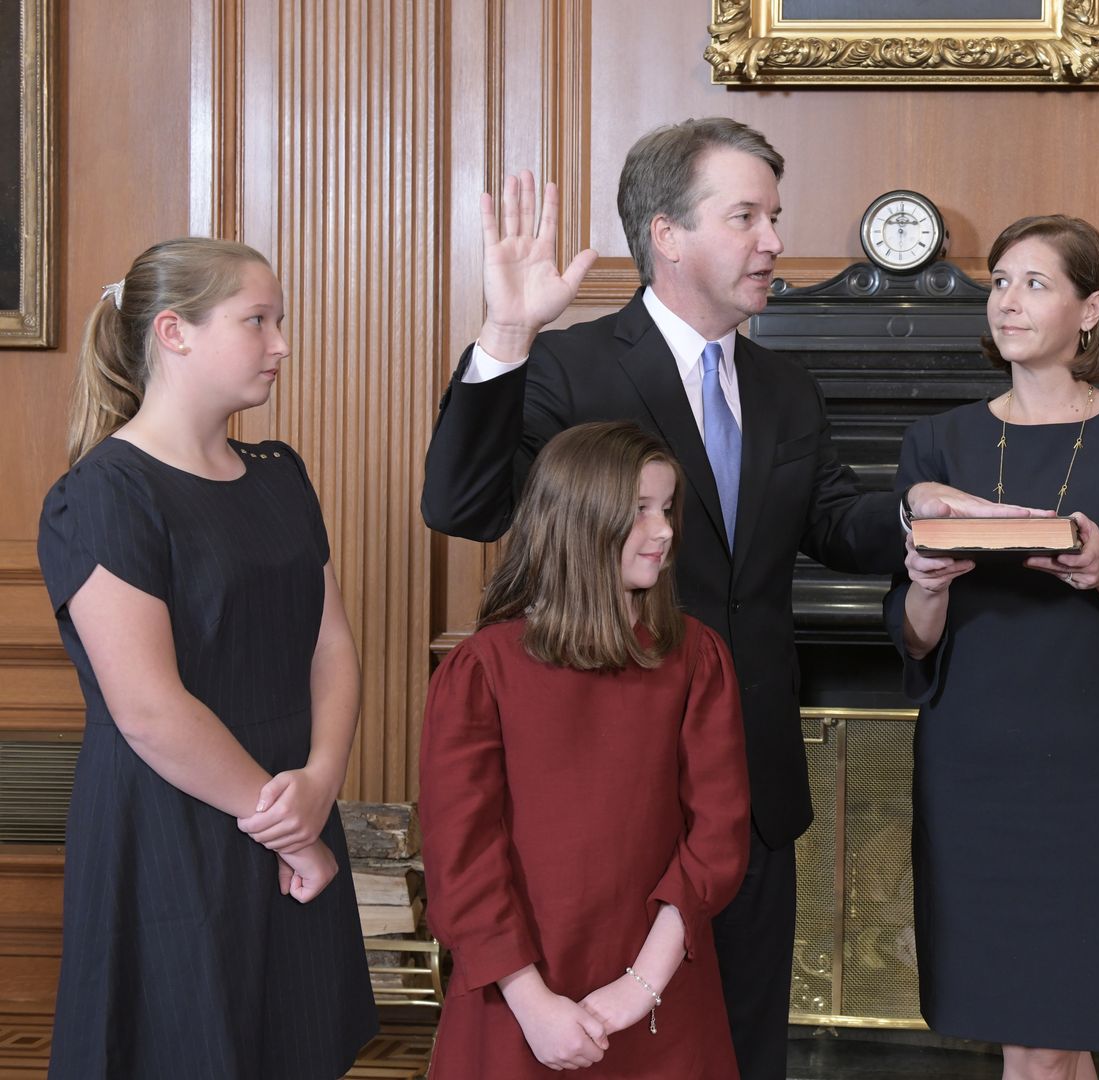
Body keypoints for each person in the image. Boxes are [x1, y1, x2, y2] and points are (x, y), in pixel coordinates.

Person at [419, 116, 1002, 1079]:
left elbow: (830, 520)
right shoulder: (571, 366)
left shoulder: (783, 386)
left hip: (752, 796)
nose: (774, 240)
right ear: (668, 234)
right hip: (620, 811)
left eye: (775, 215)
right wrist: (510, 330)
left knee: (743, 1055)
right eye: (747, 216)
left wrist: (916, 516)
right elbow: (464, 504)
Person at [36, 239, 377, 1078]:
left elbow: (330, 643)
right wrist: (291, 833)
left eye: (280, 321)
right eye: (257, 321)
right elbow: (150, 712)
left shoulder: (280, 473)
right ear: (174, 334)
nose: (281, 344)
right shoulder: (103, 493)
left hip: (294, 801)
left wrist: (321, 781)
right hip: (169, 829)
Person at [887, 215, 1099, 1080]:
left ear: (1091, 309)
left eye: (1035, 283)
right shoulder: (937, 444)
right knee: (1035, 1036)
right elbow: (913, 641)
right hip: (973, 765)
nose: (1007, 300)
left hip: (1095, 766)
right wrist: (924, 583)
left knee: (1058, 1029)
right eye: (998, 282)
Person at [419, 422, 750, 1078]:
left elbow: (717, 840)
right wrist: (534, 1004)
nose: (664, 531)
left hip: (662, 997)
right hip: (514, 998)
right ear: (577, 520)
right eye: (640, 512)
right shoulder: (481, 670)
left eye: (666, 508)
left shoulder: (696, 657)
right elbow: (462, 862)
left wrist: (638, 988)